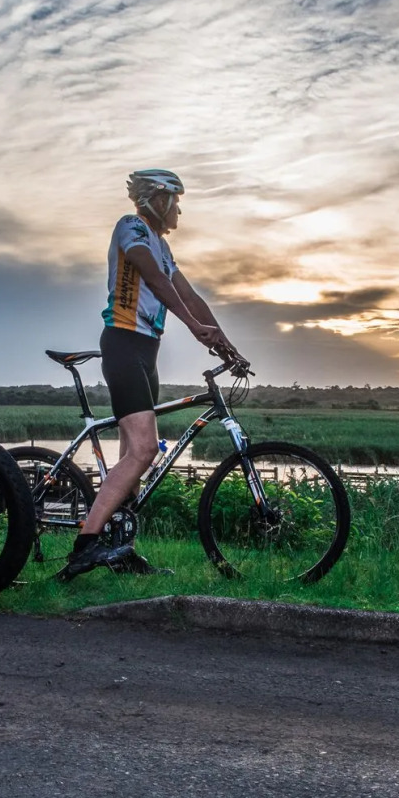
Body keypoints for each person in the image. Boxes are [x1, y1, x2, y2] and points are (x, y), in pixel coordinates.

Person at [60, 169, 241, 580]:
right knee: (144, 450)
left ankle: (121, 548)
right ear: (158, 200)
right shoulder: (132, 228)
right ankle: (85, 547)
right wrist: (196, 330)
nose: (179, 209)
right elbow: (156, 281)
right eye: (175, 201)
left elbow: (189, 295)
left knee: (132, 458)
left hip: (147, 351)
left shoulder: (162, 246)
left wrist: (226, 344)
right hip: (124, 344)